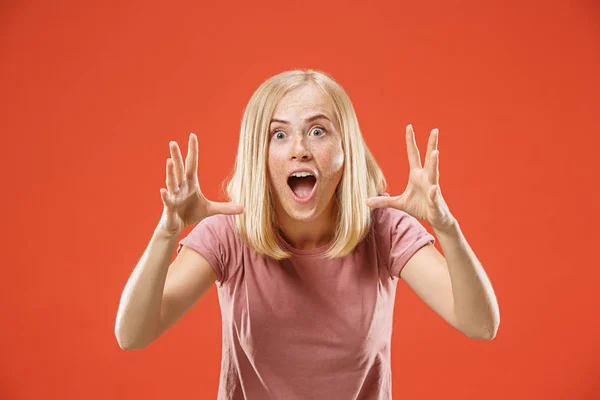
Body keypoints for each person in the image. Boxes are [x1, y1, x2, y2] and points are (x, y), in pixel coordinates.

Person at [114, 69, 500, 399]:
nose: (299, 149)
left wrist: (447, 230)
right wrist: (166, 234)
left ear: (345, 148)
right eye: (278, 135)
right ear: (258, 153)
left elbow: (480, 325)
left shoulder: (383, 228)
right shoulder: (229, 234)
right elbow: (132, 334)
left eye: (318, 131)